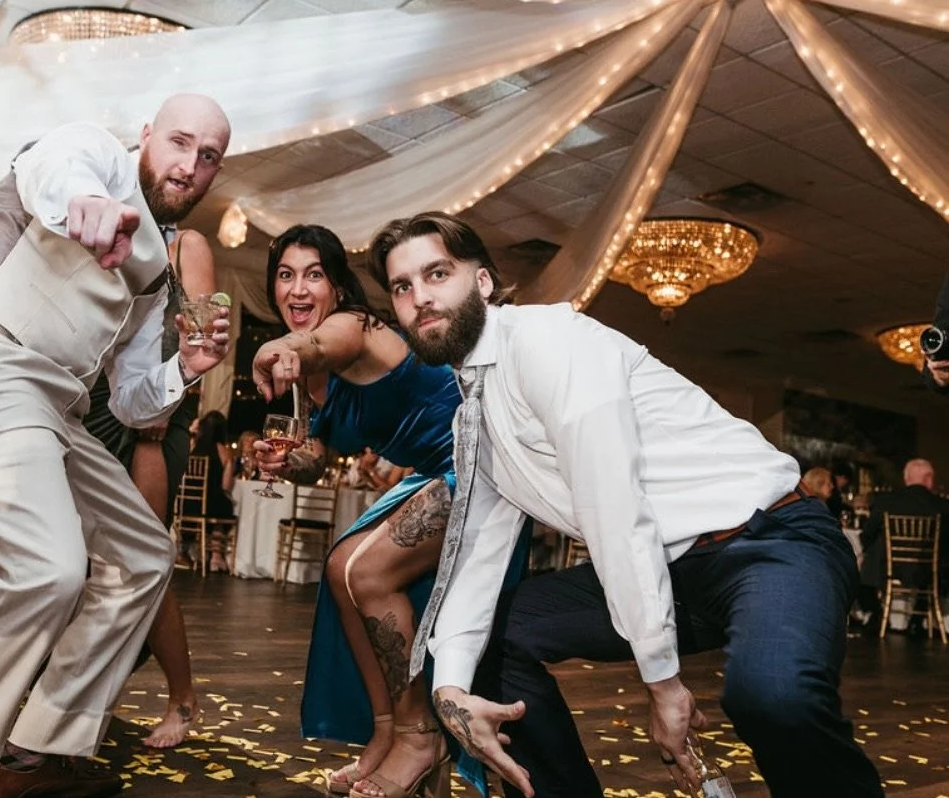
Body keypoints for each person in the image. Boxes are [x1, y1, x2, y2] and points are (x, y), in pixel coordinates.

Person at [370, 211, 882, 798]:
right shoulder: (474, 414)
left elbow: (615, 510)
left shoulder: (547, 342)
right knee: (488, 638)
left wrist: (663, 684)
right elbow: (480, 551)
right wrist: (453, 689)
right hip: (673, 569)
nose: (421, 299)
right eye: (403, 287)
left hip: (773, 542)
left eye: (437, 273)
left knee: (771, 694)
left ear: (482, 282)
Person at [0, 94, 232, 798]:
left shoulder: (158, 271)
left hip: (53, 406)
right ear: (147, 134)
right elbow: (52, 171)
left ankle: (39, 745)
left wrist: (182, 370)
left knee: (142, 554)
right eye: (180, 143)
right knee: (44, 570)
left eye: (209, 155)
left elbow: (127, 399)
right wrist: (86, 205)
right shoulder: (91, 150)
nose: (190, 166)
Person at [251, 224, 527, 798]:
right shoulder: (310, 385)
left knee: (367, 570)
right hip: (432, 481)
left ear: (337, 285)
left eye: (313, 274)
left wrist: (280, 349)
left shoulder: (351, 328)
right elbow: (315, 458)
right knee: (338, 567)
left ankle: (418, 737)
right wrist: (284, 462)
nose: (297, 289)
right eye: (284, 275)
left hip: (480, 467)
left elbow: (320, 344)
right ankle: (386, 731)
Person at [82, 228, 213, 748]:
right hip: (89, 405)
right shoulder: (95, 232)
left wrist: (159, 413)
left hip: (154, 417)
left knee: (143, 557)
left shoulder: (188, 246)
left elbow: (202, 336)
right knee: (84, 558)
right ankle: (83, 696)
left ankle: (182, 696)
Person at [857, 458, 949, 634]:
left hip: (889, 570)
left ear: (907, 479)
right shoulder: (944, 507)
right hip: (931, 570)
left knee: (873, 549)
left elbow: (867, 535)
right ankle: (930, 620)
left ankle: (879, 615)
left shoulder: (885, 502)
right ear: (929, 479)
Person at [185, 410, 236, 572]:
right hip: (211, 505)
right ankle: (216, 556)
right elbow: (226, 486)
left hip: (188, 502)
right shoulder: (224, 451)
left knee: (217, 503)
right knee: (225, 505)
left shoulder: (192, 446)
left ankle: (188, 549)